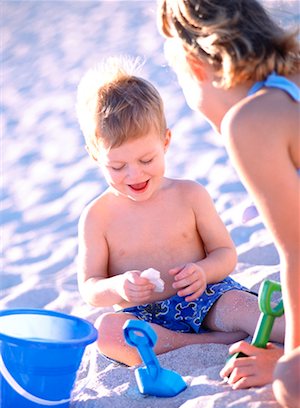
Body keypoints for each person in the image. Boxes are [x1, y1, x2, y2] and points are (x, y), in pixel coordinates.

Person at [76, 56, 284, 368]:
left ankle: (288, 332)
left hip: (206, 298)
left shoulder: (190, 195)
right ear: (95, 155)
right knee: (108, 333)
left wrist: (203, 272)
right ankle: (201, 342)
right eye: (118, 166)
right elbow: (90, 287)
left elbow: (225, 253)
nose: (134, 175)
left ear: (165, 141)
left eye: (146, 159)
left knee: (242, 306)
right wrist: (118, 286)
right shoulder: (97, 216)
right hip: (144, 315)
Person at [157, 0, 299, 408]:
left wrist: (291, 360)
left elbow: (296, 252)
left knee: (290, 387)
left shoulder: (250, 122)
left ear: (195, 65)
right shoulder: (292, 81)